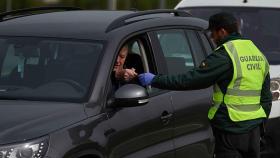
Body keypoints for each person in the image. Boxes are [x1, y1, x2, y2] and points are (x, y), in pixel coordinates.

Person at [138, 12, 272, 158]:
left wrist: (155, 79)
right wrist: (260, 127)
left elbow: (190, 80)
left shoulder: (225, 55)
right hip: (253, 131)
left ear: (222, 31)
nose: (211, 38)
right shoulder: (256, 52)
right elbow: (266, 98)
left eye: (213, 33)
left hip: (230, 129)